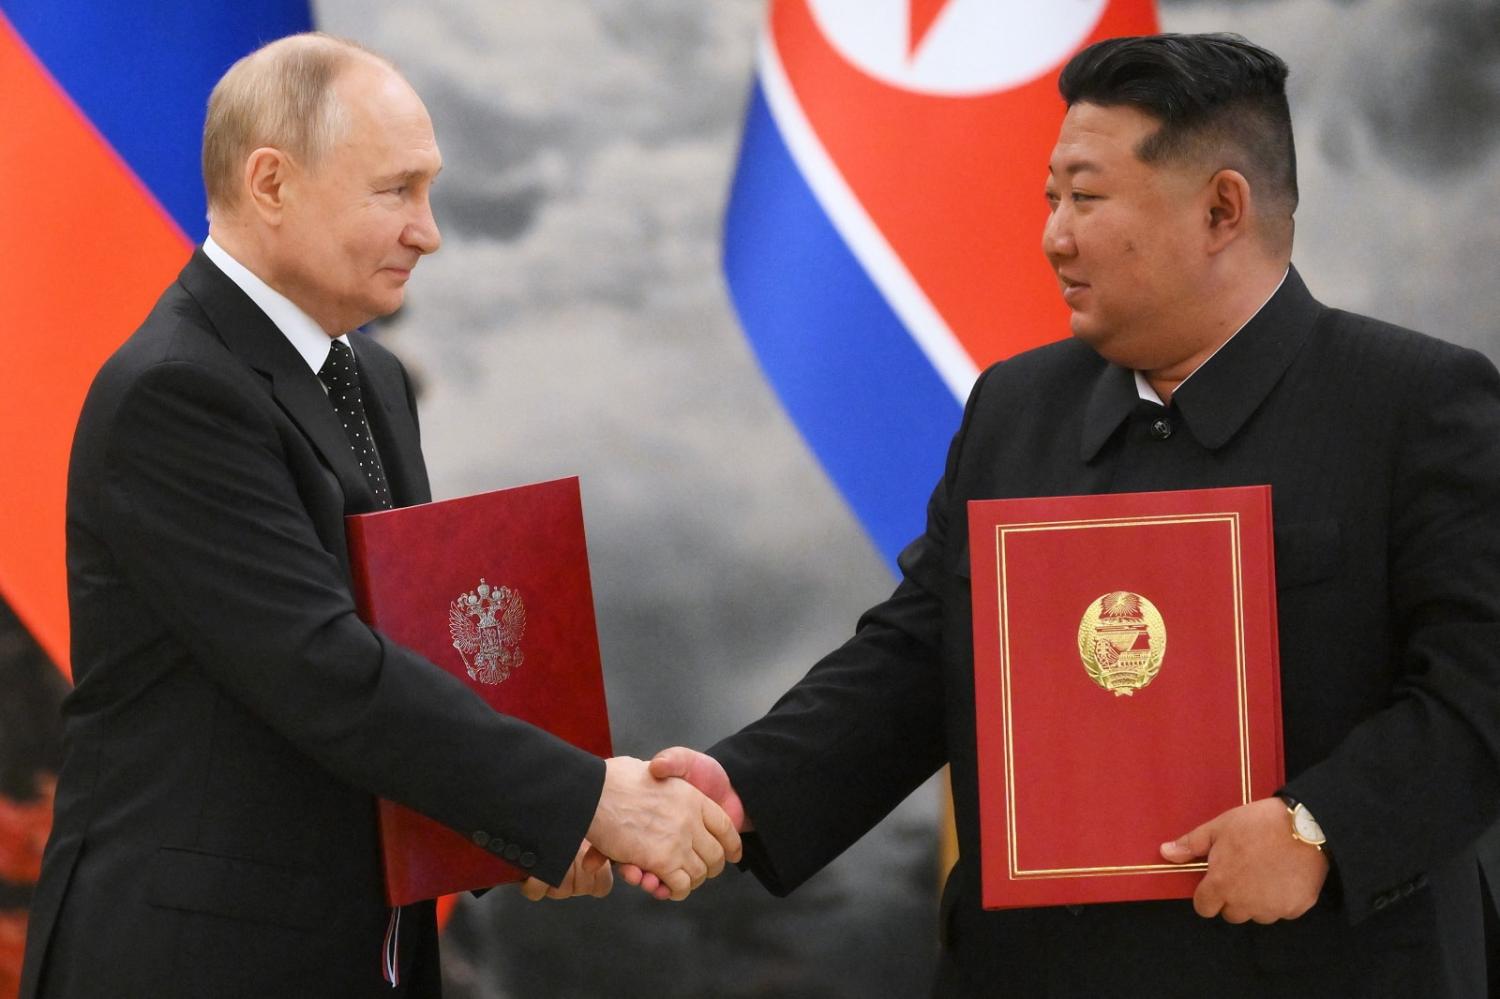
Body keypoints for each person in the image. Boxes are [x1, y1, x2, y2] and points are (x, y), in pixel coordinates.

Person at [627, 33, 1500, 997]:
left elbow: (1478, 690)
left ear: (1221, 209)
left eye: (1086, 198)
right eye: (1052, 198)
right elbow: (918, 654)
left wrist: (1320, 827)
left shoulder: (1415, 406)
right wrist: (743, 787)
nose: (1054, 235)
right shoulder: (1014, 406)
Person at [19, 33, 739, 999]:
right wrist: (580, 799)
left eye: (430, 190)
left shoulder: (371, 377)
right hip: (195, 959)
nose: (428, 231)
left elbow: (414, 646)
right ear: (270, 182)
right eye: (395, 191)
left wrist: (518, 829)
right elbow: (327, 672)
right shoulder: (176, 393)